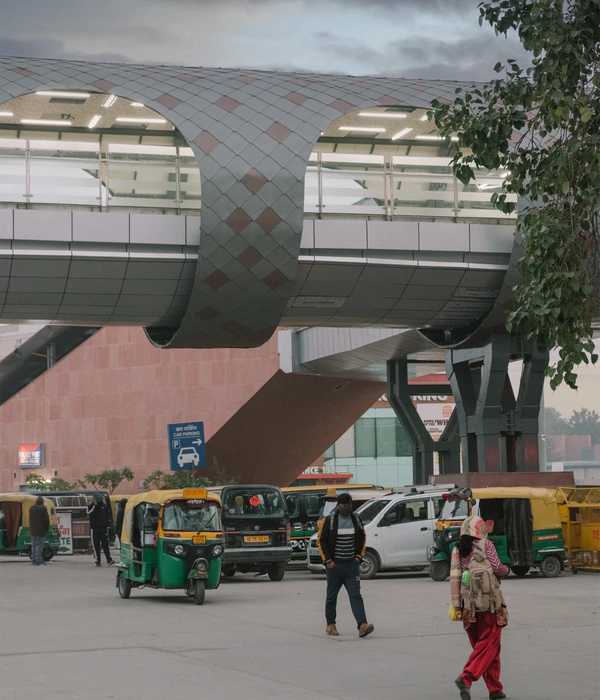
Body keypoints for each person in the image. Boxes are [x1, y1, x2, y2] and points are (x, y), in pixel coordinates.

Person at [450, 515, 509, 700]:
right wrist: (506, 570)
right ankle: (466, 678)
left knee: (483, 649)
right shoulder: (486, 545)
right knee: (489, 646)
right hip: (490, 607)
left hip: (469, 608)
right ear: (480, 530)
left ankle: (495, 689)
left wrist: (457, 606)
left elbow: (455, 579)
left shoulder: (457, 549)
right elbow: (498, 568)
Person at [317, 493, 374, 638]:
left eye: (349, 506)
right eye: (344, 506)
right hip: (334, 566)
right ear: (338, 506)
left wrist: (358, 557)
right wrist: (328, 561)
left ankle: (362, 625)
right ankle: (331, 625)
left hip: (351, 566)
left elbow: (362, 537)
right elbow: (321, 540)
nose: (347, 509)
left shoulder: (356, 519)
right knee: (331, 596)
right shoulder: (329, 521)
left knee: (355, 595)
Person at [87, 493, 115, 567]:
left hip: (103, 528)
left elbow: (106, 515)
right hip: (94, 529)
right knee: (96, 546)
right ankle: (97, 561)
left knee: (105, 545)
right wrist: (95, 506)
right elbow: (89, 513)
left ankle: (109, 559)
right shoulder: (91, 507)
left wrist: (108, 525)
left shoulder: (104, 506)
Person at [29, 496, 49, 566]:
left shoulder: (31, 508)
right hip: (41, 530)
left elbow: (30, 518)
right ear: (42, 501)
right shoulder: (43, 508)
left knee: (33, 545)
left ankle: (33, 560)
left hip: (33, 529)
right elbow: (46, 520)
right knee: (39, 546)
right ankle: (38, 560)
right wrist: (46, 528)